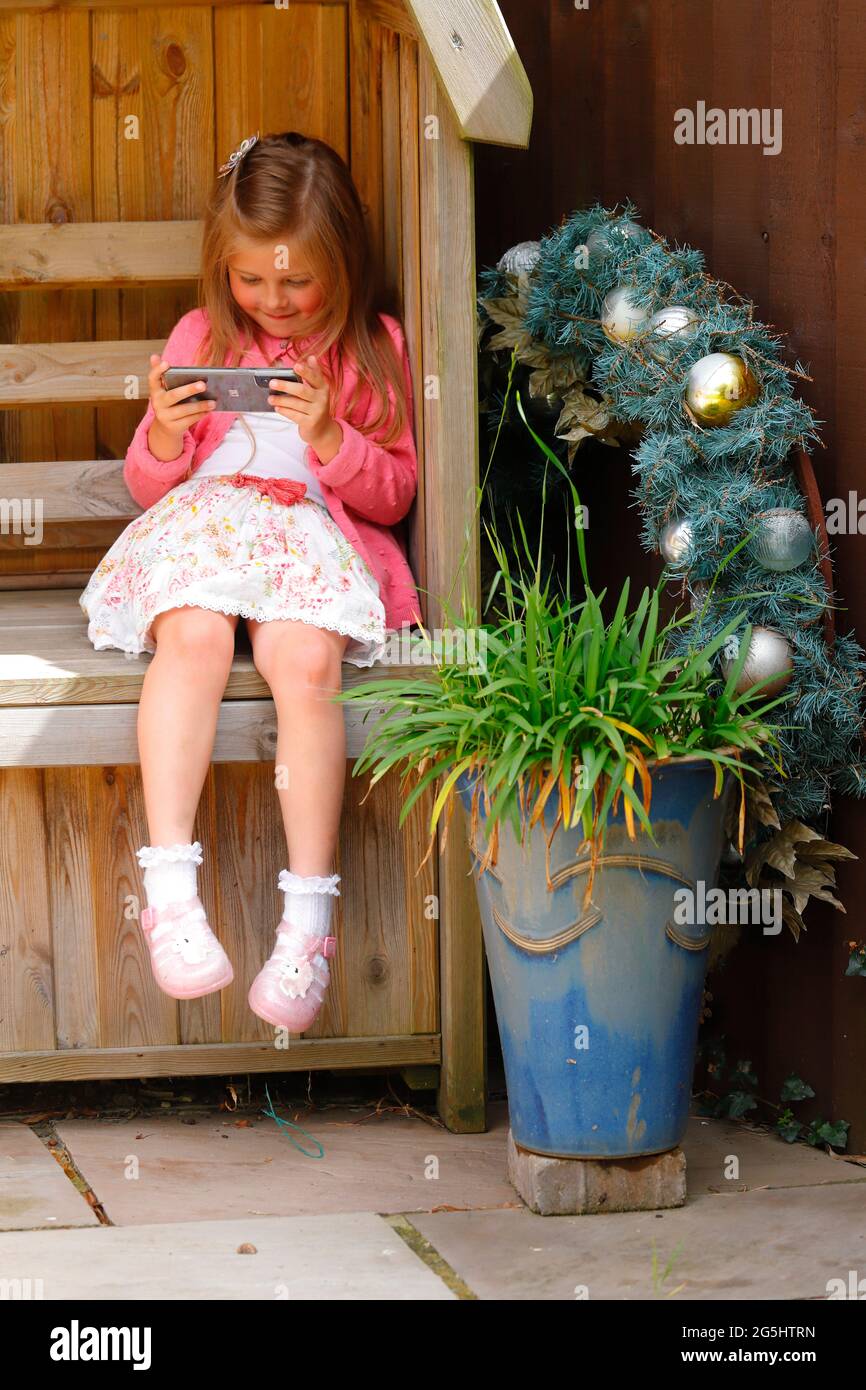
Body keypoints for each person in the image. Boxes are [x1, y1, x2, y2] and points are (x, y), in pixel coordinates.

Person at [79, 130, 421, 1032]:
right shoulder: (204, 335)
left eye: (295, 282)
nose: (272, 302)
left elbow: (395, 490)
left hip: (303, 543)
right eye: (251, 280)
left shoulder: (374, 349)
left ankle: (309, 922)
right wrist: (159, 432)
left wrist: (330, 439)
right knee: (190, 640)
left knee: (307, 665)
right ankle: (170, 892)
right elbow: (149, 486)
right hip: (203, 532)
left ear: (342, 263)